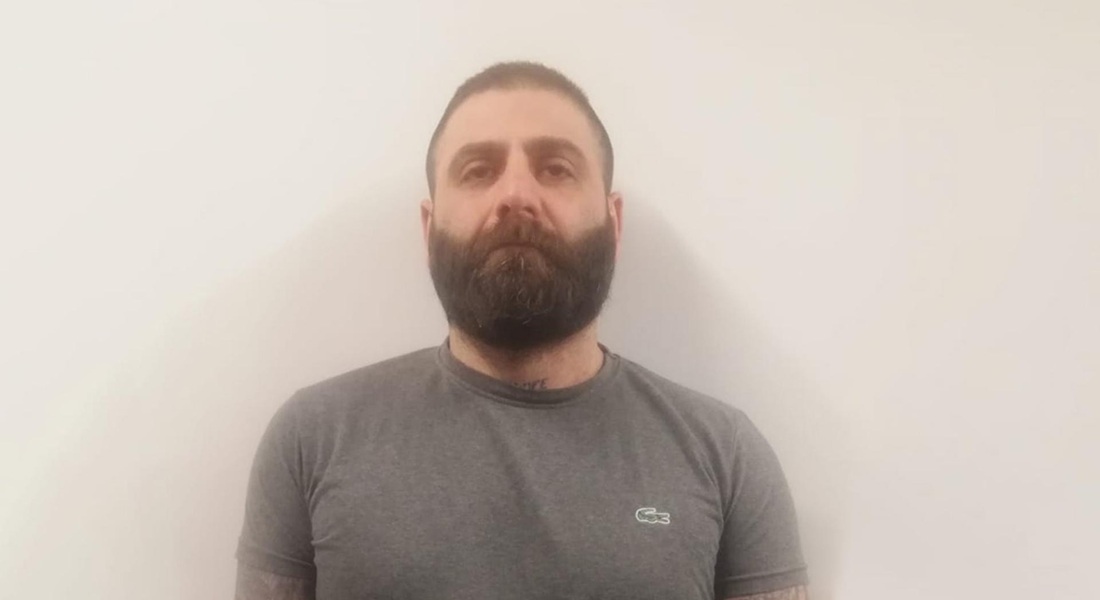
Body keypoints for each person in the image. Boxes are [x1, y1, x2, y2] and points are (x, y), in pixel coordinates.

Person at [235, 61, 809, 600]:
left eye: (555, 168)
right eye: (477, 171)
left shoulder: (726, 455)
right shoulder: (312, 439)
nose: (515, 196)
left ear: (613, 223)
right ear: (429, 229)